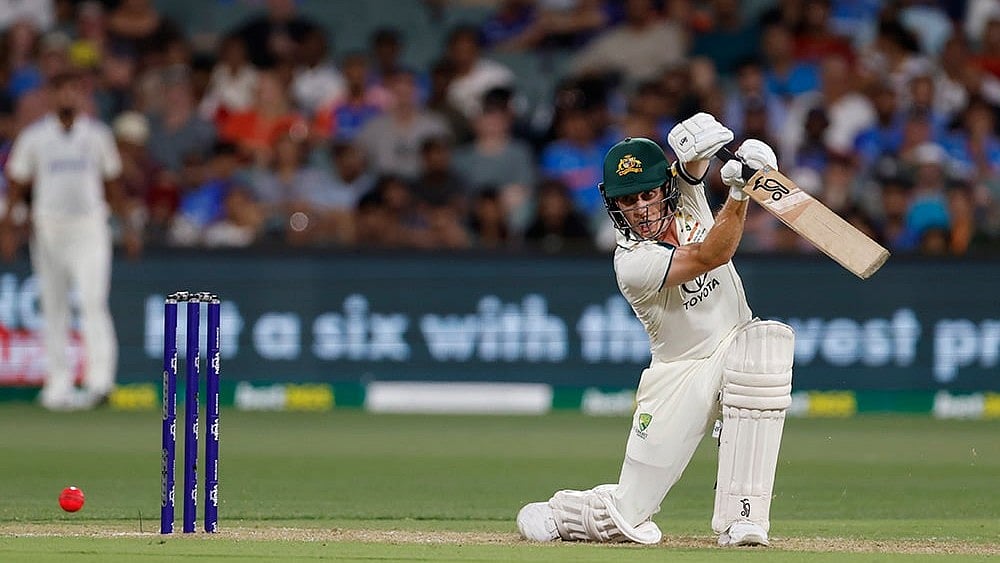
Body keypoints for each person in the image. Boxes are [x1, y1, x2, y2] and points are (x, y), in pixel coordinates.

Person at [516, 113, 795, 547]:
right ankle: (564, 513)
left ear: (664, 189)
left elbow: (692, 164)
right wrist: (741, 192)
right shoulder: (631, 262)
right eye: (629, 201)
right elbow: (710, 256)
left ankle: (742, 518)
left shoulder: (683, 195)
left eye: (648, 194)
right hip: (677, 372)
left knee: (763, 348)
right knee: (628, 518)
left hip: (734, 340)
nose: (642, 209)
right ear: (613, 205)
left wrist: (750, 162)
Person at [1, 70, 140, 410]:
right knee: (54, 307)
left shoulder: (97, 136)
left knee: (93, 302)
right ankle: (57, 384)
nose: (68, 98)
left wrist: (128, 227)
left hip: (90, 227)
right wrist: (7, 227)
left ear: (82, 96)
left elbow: (113, 182)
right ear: (51, 96)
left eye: (74, 91)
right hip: (48, 227)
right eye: (61, 91)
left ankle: (100, 383)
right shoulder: (35, 137)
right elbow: (18, 181)